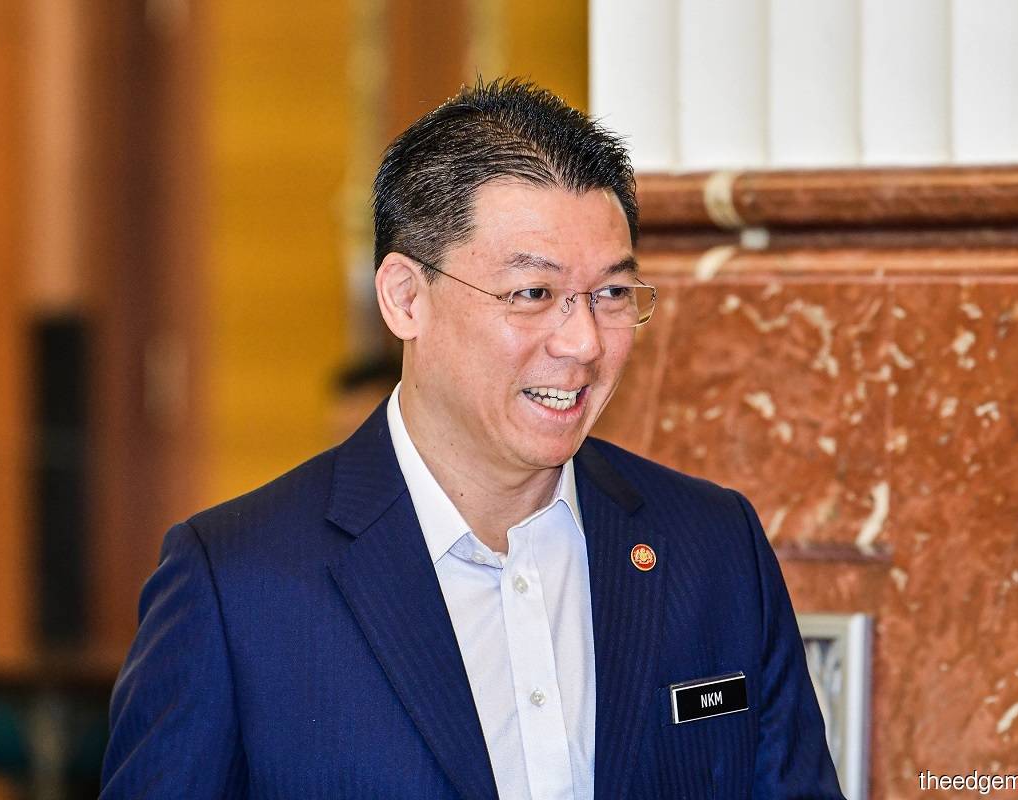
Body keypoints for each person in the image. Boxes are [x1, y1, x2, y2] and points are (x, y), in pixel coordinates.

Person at [100, 78, 843, 800]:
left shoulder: (712, 547)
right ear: (405, 298)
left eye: (612, 293)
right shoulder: (239, 586)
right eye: (533, 294)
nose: (584, 342)